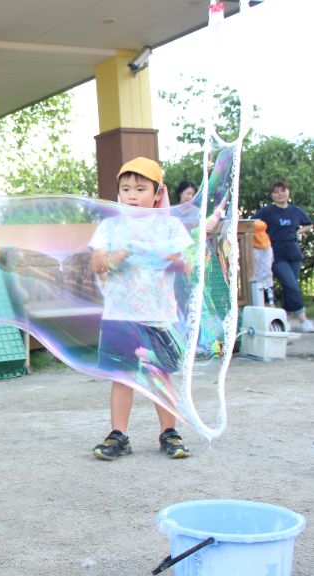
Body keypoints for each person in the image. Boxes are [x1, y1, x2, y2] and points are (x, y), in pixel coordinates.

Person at [88, 157, 194, 461]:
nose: (132, 195)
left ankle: (169, 433)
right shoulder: (110, 226)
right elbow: (97, 265)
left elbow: (186, 264)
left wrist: (158, 255)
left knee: (160, 375)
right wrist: (115, 258)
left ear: (157, 192)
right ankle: (118, 434)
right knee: (122, 377)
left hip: (158, 316)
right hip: (120, 315)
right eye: (125, 188)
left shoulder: (170, 225)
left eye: (140, 188)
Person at [252, 179, 314, 332]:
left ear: (288, 192)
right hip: (276, 255)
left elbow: (309, 223)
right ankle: (303, 319)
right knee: (291, 285)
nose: (280, 194)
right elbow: (251, 223)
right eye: (276, 192)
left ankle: (285, 322)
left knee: (289, 287)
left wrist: (298, 232)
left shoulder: (295, 210)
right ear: (272, 195)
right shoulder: (267, 211)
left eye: (283, 190)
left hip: (294, 253)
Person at [253, 220, 276, 307]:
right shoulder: (269, 247)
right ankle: (271, 305)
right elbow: (272, 260)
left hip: (257, 281)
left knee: (260, 300)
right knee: (269, 299)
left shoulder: (251, 248)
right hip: (267, 280)